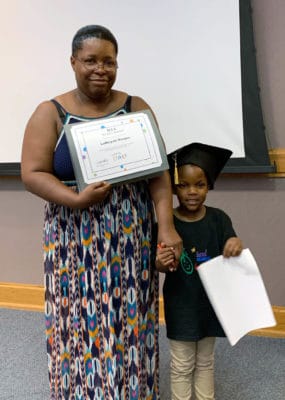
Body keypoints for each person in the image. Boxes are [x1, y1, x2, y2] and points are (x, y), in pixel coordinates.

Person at [21, 24, 182, 400]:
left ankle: (132, 391)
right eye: (90, 60)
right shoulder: (51, 112)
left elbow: (159, 173)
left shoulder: (135, 107)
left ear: (117, 64)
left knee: (131, 317)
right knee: (78, 320)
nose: (100, 69)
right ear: (73, 61)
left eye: (109, 61)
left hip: (130, 236)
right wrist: (76, 199)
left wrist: (166, 227)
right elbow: (32, 173)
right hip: (73, 239)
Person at [155, 142, 243, 400]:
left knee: (205, 361)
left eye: (200, 184)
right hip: (181, 307)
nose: (192, 192)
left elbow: (232, 243)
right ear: (172, 186)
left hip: (210, 306)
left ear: (210, 185)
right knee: (182, 365)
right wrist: (161, 260)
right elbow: (158, 264)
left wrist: (234, 244)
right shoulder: (166, 223)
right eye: (183, 185)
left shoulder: (219, 219)